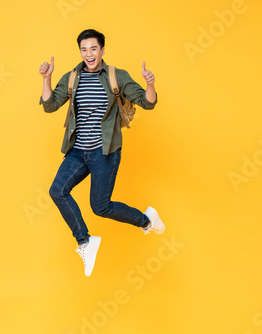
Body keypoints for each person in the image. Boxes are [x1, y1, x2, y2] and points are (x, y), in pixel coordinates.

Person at [39, 29, 165, 277]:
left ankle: (146, 221)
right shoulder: (73, 77)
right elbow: (50, 105)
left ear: (102, 50)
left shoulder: (116, 76)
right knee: (57, 190)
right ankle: (85, 241)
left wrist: (150, 84)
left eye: (93, 49)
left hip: (104, 151)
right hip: (77, 150)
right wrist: (47, 79)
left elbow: (147, 102)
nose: (89, 54)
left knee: (101, 207)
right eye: (84, 50)